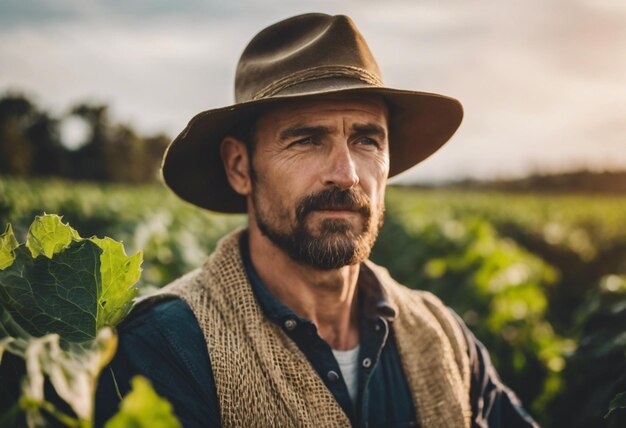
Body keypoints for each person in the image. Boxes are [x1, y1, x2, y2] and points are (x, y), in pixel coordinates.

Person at [95, 13, 538, 427]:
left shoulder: (444, 338)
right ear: (239, 167)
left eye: (366, 139)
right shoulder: (166, 349)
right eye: (307, 139)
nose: (346, 175)